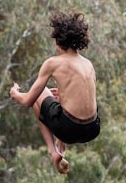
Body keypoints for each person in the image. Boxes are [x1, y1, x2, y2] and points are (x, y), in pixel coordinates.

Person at [10, 10, 100, 174]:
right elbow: (85, 97)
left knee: (40, 92)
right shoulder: (88, 64)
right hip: (93, 128)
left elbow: (27, 101)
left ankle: (54, 151)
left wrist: (15, 93)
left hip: (69, 128)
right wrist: (64, 94)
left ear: (58, 40)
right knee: (56, 99)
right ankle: (61, 141)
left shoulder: (53, 63)